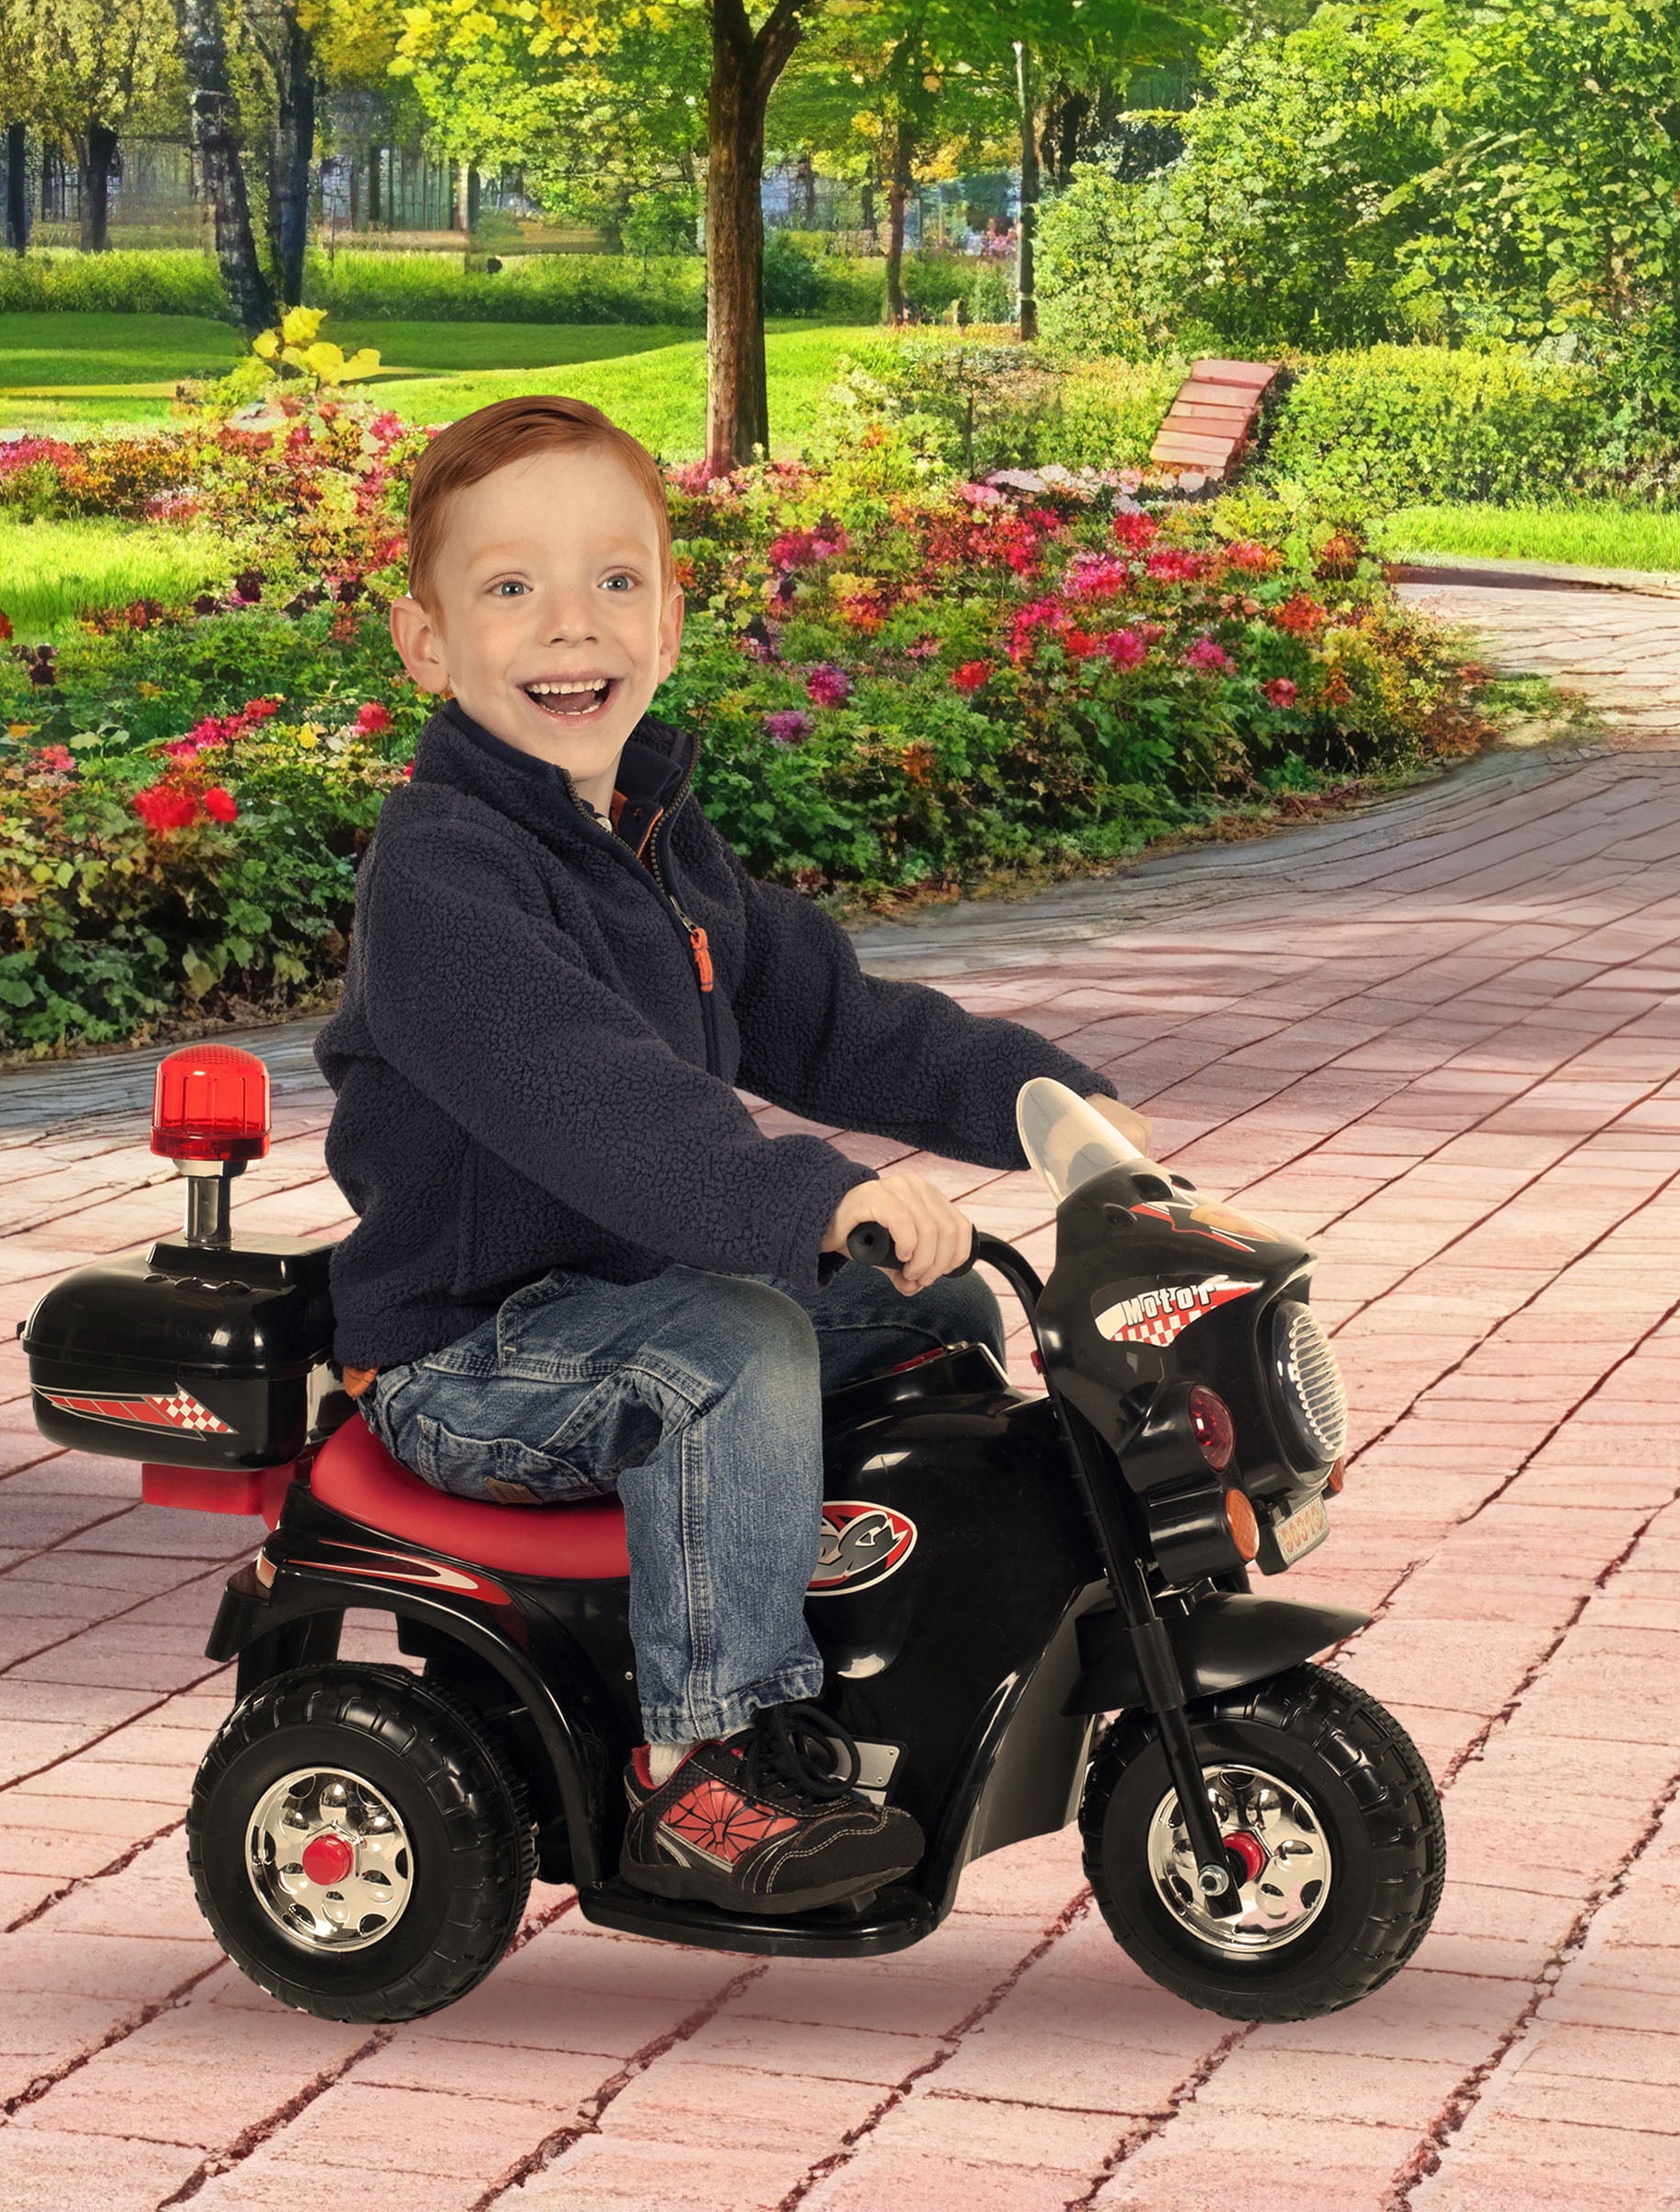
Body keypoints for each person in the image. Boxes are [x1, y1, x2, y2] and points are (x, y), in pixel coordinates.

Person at [314, 394, 1148, 1916]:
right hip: (473, 1349)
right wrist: (817, 1195)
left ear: (671, 619)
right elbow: (601, 1102)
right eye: (511, 587)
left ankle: (887, 1631)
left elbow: (835, 1021)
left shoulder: (655, 844)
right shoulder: (441, 881)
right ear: (425, 644)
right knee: (737, 1350)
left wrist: (1049, 1106)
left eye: (614, 579)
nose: (572, 623)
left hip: (630, 1302)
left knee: (940, 1311)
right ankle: (701, 1762)